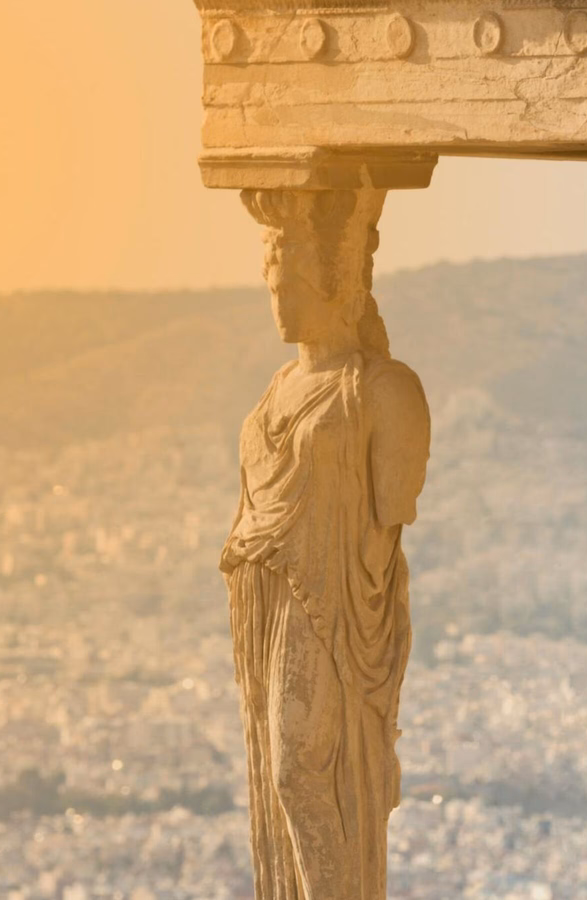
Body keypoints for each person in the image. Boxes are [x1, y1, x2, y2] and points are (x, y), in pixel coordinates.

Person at [220, 187, 429, 900]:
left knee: (299, 769)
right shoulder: (276, 390)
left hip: (335, 607)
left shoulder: (381, 390)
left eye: (293, 283)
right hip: (271, 601)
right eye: (273, 284)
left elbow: (390, 512)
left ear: (337, 280)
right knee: (285, 773)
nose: (278, 300)